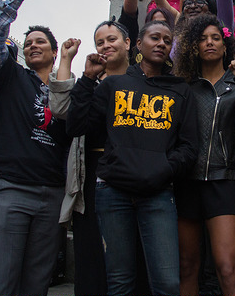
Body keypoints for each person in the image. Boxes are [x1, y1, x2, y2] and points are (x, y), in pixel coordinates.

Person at [67, 21, 198, 295]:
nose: (161, 43)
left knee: (167, 283)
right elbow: (77, 126)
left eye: (166, 39)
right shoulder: (113, 85)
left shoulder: (180, 90)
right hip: (112, 192)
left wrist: (162, 169)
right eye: (154, 37)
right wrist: (88, 79)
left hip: (158, 193)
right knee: (119, 282)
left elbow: (188, 147)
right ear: (139, 44)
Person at [0, 0, 70, 296]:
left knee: (37, 282)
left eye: (40, 41)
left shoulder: (67, 89)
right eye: (28, 42)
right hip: (10, 189)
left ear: (54, 51)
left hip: (52, 196)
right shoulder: (11, 76)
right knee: (0, 280)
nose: (33, 45)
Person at [173, 14, 235, 295]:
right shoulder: (185, 86)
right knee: (186, 266)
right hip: (186, 181)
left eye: (215, 38)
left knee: (226, 268)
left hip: (223, 181)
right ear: (193, 47)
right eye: (202, 39)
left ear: (226, 45)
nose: (209, 43)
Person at [49, 21, 131, 295]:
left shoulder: (142, 81)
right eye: (100, 42)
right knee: (90, 258)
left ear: (128, 43)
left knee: (126, 259)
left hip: (128, 177)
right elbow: (61, 110)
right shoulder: (90, 82)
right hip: (90, 178)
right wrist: (69, 60)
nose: (106, 46)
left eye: (112, 39)